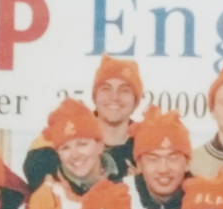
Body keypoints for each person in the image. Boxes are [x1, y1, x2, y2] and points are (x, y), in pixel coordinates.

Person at [23, 54, 142, 185]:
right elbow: (34, 166)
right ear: (95, 96)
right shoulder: (68, 129)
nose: (114, 97)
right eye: (106, 89)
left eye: (125, 90)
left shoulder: (147, 143)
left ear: (136, 100)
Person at [24, 98, 117, 209]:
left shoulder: (126, 186)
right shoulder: (47, 197)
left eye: (82, 144)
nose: (74, 155)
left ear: (100, 145)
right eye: (65, 148)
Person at [124, 106, 192, 209]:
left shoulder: (204, 199)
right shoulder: (120, 196)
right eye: (153, 159)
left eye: (173, 158)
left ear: (187, 163)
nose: (163, 169)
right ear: (139, 165)